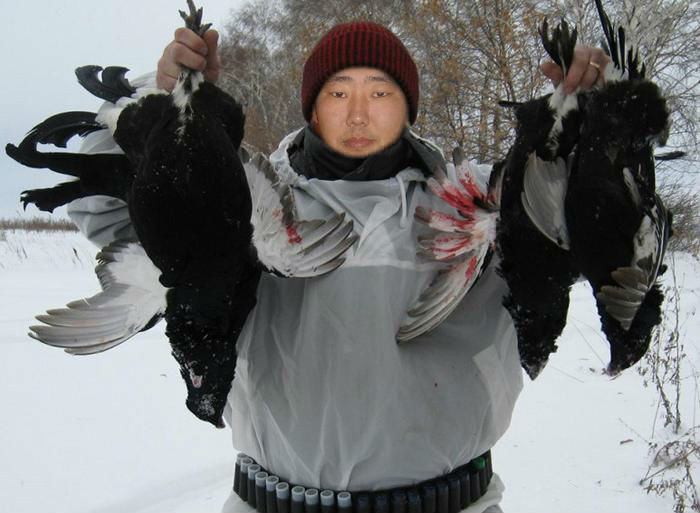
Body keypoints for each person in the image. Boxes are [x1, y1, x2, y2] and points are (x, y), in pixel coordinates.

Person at [70, 20, 610, 513]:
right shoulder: (231, 204)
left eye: (380, 92)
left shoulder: (486, 207)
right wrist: (166, 110)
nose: (358, 112)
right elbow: (99, 207)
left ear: (408, 108)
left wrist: (593, 131)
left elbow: (600, 234)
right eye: (337, 93)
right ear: (311, 107)